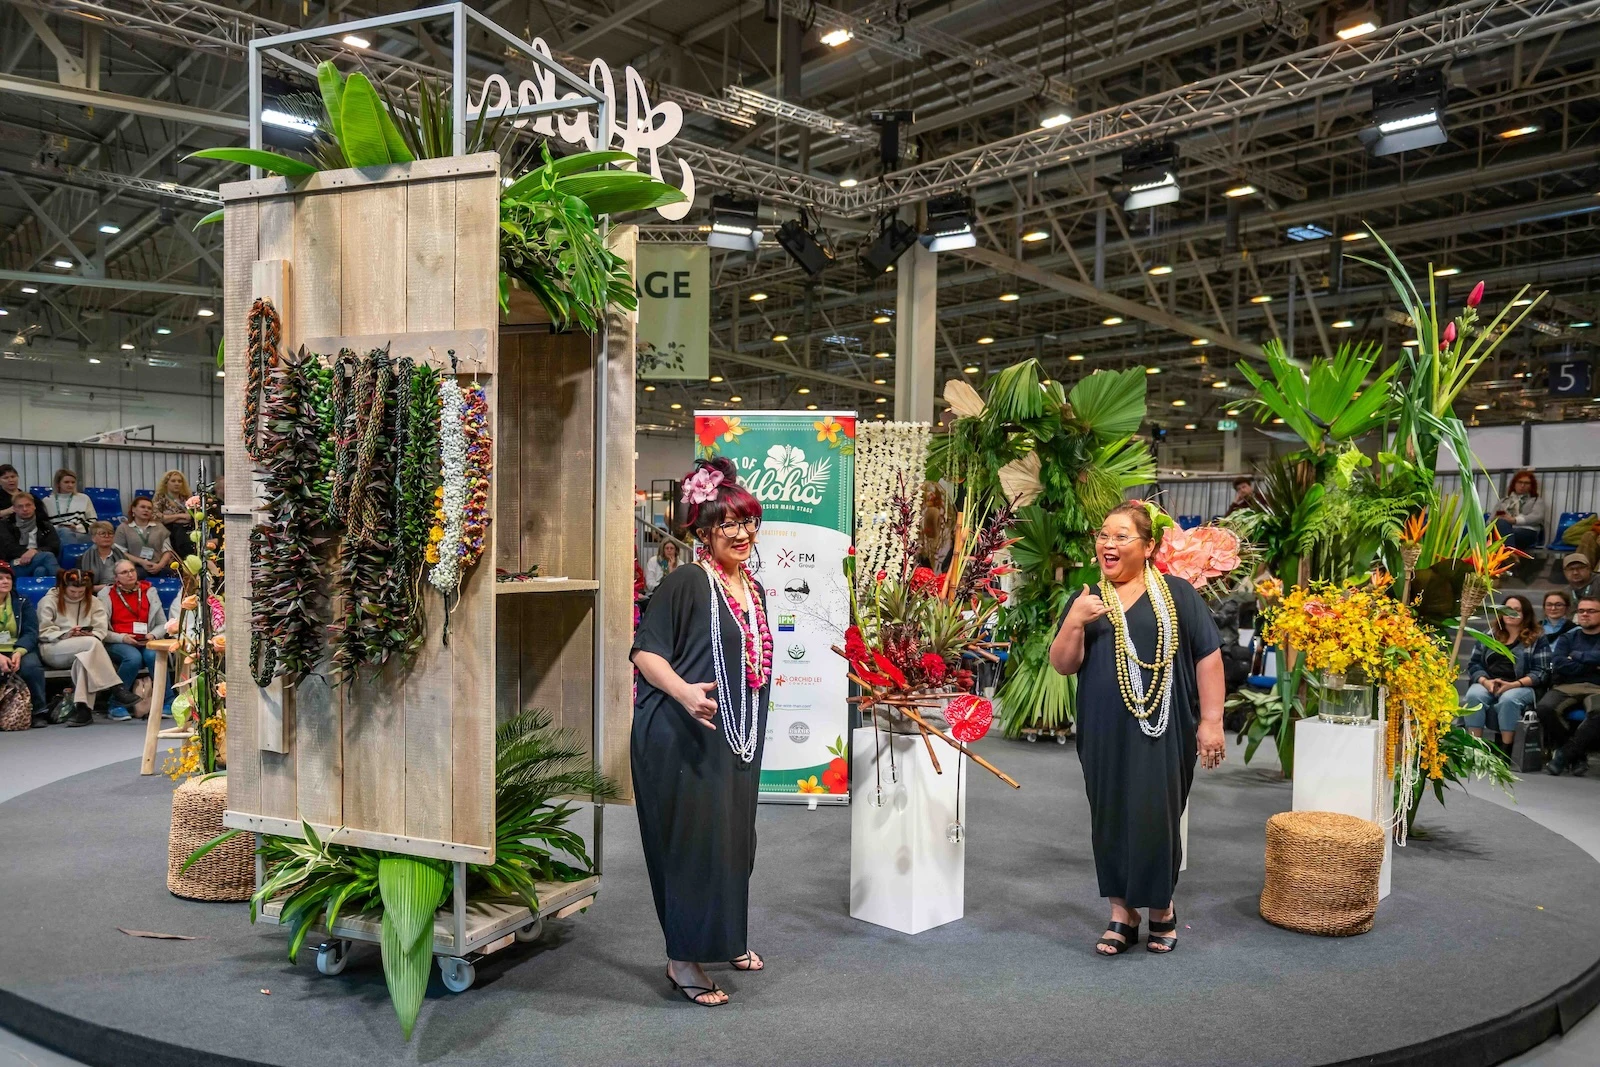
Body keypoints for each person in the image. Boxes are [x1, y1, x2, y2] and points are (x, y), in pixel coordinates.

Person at [1049, 501, 1225, 957]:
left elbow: (1208, 656)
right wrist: (1074, 621)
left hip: (1164, 729)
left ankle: (1161, 908)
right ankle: (1121, 913)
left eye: (1121, 536)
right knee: (1109, 814)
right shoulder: (1088, 598)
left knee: (1156, 814)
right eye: (1103, 535)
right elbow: (1063, 664)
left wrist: (1211, 722)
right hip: (1104, 728)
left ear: (1148, 547)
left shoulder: (1178, 594)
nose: (1108, 543)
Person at [630, 456, 772, 1007]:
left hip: (734, 736)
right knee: (695, 846)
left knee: (737, 840)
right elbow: (645, 653)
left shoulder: (750, 588)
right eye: (727, 525)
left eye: (747, 522)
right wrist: (686, 692)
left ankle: (727, 938)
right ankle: (683, 960)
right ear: (704, 532)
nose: (741, 534)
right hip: (682, 735)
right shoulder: (689, 580)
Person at [37, 569, 140, 726]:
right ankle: (116, 687)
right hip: (53, 648)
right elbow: (43, 632)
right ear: (63, 587)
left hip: (86, 649)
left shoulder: (93, 601)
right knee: (91, 645)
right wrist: (67, 634)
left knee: (85, 659)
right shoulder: (49, 601)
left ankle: (83, 711)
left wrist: (90, 635)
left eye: (81, 591)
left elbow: (101, 630)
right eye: (72, 591)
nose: (77, 595)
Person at [1460, 594, 1548, 748]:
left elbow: (1541, 672)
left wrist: (1513, 685)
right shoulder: (1490, 634)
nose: (1510, 613)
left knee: (1508, 699)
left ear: (1525, 614)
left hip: (1522, 685)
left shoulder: (1537, 637)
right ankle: (1475, 748)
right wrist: (1485, 682)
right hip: (1489, 682)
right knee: (1474, 695)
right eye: (1507, 609)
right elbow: (1474, 664)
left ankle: (1506, 749)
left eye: (1516, 610)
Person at [1537, 594, 1600, 776]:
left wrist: (1577, 656)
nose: (1585, 614)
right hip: (1567, 685)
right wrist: (1593, 665)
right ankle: (1577, 756)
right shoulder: (1568, 638)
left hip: (1598, 687)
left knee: (1598, 713)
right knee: (1545, 708)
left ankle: (1563, 756)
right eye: (1581, 611)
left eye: (1591, 611)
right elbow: (1559, 663)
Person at [97, 560, 167, 721]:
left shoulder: (149, 591)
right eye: (124, 572)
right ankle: (116, 704)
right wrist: (123, 638)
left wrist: (153, 635)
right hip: (117, 640)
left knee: (154, 656)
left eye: (132, 570)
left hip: (146, 639)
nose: (130, 575)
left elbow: (163, 624)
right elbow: (101, 630)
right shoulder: (106, 595)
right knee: (133, 658)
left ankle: (167, 701)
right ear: (116, 578)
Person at [0, 562, 46, 724]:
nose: (5, 581)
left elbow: (31, 631)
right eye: (0, 578)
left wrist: (19, 651)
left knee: (31, 666)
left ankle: (39, 711)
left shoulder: (21, 601)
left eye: (8, 578)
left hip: (17, 648)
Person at [0, 492, 62, 578]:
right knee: (48, 556)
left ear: (34, 506)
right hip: (16, 562)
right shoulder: (5, 525)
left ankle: (38, 590)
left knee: (41, 570)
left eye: (28, 505)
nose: (25, 509)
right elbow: (8, 549)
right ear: (14, 509)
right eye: (20, 506)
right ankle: (63, 583)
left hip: (39, 559)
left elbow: (54, 547)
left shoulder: (44, 525)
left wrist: (35, 551)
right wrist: (27, 553)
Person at [114, 496, 176, 577]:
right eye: (142, 507)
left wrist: (160, 566)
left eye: (149, 508)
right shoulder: (123, 528)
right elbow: (120, 552)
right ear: (133, 509)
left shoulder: (160, 527)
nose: (146, 510)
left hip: (158, 566)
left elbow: (167, 551)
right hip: (133, 567)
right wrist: (141, 562)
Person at [1491, 470, 1546, 553]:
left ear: (1531, 486)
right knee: (1497, 526)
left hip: (1526, 531)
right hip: (1503, 530)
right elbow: (1492, 518)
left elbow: (1537, 517)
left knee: (1505, 534)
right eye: (1519, 482)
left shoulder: (1536, 501)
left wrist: (1515, 520)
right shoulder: (1504, 501)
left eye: (1526, 483)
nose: (1522, 485)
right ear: (1514, 484)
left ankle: (1508, 554)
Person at [42, 469, 97, 544]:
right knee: (64, 532)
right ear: (58, 483)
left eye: (73, 482)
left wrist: (76, 528)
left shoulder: (84, 498)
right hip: (56, 533)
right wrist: (59, 528)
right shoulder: (47, 501)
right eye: (66, 482)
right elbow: (44, 524)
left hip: (79, 532)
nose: (70, 485)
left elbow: (93, 521)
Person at [152, 470, 195, 558]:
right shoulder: (160, 497)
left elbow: (190, 517)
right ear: (166, 483)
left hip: (185, 530)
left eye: (179, 481)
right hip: (166, 531)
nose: (177, 483)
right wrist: (180, 516)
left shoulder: (187, 498)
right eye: (173, 481)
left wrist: (169, 518)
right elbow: (157, 518)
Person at [83, 521, 127, 591]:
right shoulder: (83, 558)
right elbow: (81, 586)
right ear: (93, 538)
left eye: (110, 533)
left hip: (120, 592)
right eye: (102, 534)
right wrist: (106, 588)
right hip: (93, 595)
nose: (107, 536)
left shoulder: (121, 556)